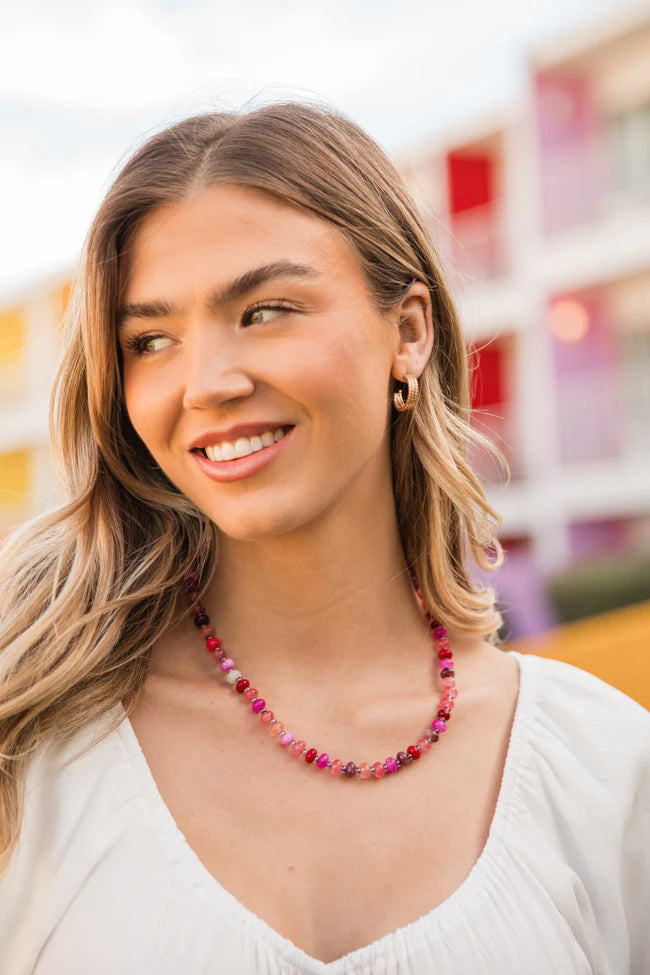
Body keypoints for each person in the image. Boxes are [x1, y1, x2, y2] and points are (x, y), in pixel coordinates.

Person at [0, 100, 648, 975]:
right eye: (151, 339)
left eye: (265, 310)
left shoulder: (605, 767)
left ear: (408, 332)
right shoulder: (32, 750)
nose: (208, 382)